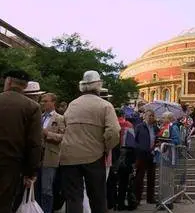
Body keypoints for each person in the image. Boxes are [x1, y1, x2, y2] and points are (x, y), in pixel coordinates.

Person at [60, 70, 120, 213]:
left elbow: (63, 128)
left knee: (73, 198)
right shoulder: (105, 105)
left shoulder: (72, 104)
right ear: (99, 85)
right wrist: (106, 148)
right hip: (94, 156)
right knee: (97, 198)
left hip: (69, 156)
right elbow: (114, 131)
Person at [0, 70, 42, 213]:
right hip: (11, 164)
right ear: (24, 86)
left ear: (9, 82)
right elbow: (34, 143)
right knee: (4, 203)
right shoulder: (32, 107)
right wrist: (31, 172)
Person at [37, 93, 65, 213]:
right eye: (42, 101)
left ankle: (47, 210)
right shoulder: (40, 117)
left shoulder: (60, 118)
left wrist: (48, 134)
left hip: (50, 156)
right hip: (38, 156)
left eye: (45, 101)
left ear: (53, 103)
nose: (42, 103)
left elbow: (64, 137)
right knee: (37, 187)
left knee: (46, 188)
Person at [134, 108, 158, 205]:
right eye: (149, 115)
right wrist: (138, 149)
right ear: (145, 116)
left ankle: (150, 198)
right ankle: (137, 198)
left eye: (152, 116)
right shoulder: (139, 127)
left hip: (152, 155)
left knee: (151, 177)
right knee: (139, 177)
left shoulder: (156, 128)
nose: (151, 117)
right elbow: (135, 140)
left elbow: (158, 138)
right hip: (141, 155)